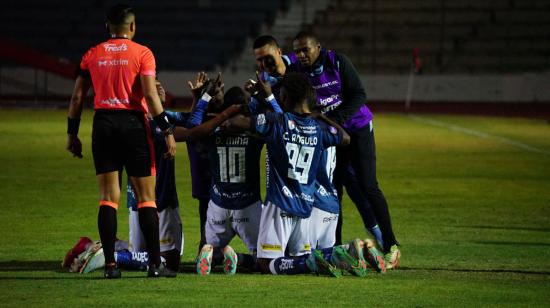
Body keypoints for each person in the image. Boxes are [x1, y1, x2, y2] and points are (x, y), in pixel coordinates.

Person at [66, 4, 178, 278]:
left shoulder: (91, 54)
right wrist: (167, 129)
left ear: (107, 28)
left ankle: (111, 267)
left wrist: (72, 134)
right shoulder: (143, 53)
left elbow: (78, 97)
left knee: (108, 199)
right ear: (133, 27)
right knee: (146, 199)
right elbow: (151, 96)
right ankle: (154, 265)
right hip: (133, 125)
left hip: (103, 125)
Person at [225, 73, 366, 277]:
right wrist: (319, 114)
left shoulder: (277, 121)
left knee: (267, 263)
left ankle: (314, 261)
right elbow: (344, 138)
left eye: (281, 94)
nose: (279, 98)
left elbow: (236, 123)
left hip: (279, 203)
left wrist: (255, 101)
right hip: (306, 206)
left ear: (287, 97)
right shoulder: (317, 128)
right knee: (293, 257)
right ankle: (336, 254)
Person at [290, 31, 401, 269]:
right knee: (334, 191)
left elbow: (360, 94)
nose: (301, 55)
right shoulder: (296, 68)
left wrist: (335, 118)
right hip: (333, 136)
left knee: (369, 186)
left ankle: (391, 244)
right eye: (297, 51)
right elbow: (284, 71)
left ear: (318, 47)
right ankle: (335, 248)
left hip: (358, 129)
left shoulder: (338, 61)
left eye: (305, 50)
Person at [195, 86, 264, 276]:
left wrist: (204, 98)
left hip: (219, 205)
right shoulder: (255, 134)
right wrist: (262, 95)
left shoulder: (213, 131)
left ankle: (215, 254)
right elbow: (275, 120)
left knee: (206, 254)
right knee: (266, 260)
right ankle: (239, 258)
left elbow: (194, 128)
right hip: (248, 205)